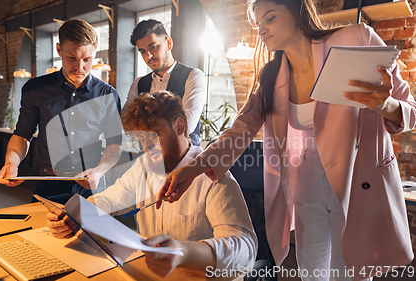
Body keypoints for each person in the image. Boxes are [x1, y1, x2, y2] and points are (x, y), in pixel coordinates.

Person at [159, 1, 415, 280]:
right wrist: (193, 168)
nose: (261, 29)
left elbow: (410, 110)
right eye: (258, 24)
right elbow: (241, 129)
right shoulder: (271, 75)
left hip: (355, 178)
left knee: (351, 272)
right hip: (306, 179)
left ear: (297, 10)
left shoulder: (355, 38)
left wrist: (385, 105)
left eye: (269, 17)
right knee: (311, 271)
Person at [47, 91, 257, 278]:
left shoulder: (213, 176)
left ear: (179, 126)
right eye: (140, 140)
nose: (147, 147)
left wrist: (182, 252)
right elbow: (110, 200)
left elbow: (245, 249)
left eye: (153, 136)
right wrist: (77, 214)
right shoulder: (143, 167)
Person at [0, 19, 122, 204]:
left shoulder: (108, 94)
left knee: (91, 234)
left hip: (91, 185)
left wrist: (100, 170)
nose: (80, 67)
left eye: (87, 60)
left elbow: (114, 144)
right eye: (72, 58)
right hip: (49, 181)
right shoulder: (35, 89)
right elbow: (23, 136)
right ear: (59, 50)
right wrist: (11, 163)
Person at [126, 19, 206, 146]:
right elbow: (128, 124)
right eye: (142, 51)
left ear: (168, 43)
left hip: (186, 159)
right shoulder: (139, 83)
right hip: (150, 159)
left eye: (153, 47)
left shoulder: (193, 76)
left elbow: (185, 127)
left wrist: (144, 126)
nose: (149, 55)